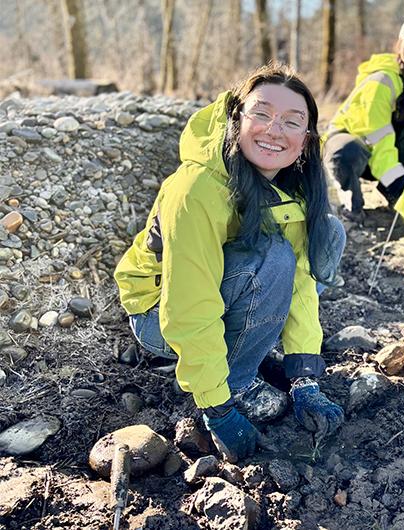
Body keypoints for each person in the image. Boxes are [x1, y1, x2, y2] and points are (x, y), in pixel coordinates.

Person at [114, 64, 345, 463]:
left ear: (306, 140)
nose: (274, 131)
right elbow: (188, 303)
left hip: (221, 294)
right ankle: (235, 380)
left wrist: (305, 376)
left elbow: (302, 284)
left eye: (292, 122)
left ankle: (246, 350)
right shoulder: (197, 190)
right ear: (236, 118)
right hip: (160, 314)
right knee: (273, 258)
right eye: (262, 114)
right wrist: (218, 409)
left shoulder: (291, 185)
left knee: (328, 233)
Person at [323, 13, 404, 227]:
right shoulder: (381, 82)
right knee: (344, 152)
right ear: (399, 44)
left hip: (385, 154)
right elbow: (378, 138)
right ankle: (350, 207)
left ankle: (403, 197)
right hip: (356, 150)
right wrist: (398, 187)